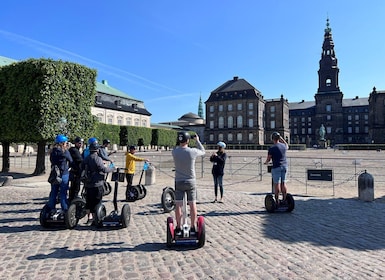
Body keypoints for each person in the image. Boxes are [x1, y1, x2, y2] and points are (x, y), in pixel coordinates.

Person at [172, 132, 205, 235]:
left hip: (179, 181)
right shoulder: (192, 151)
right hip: (191, 181)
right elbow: (203, 151)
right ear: (188, 140)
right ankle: (193, 226)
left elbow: (177, 147)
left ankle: (178, 226)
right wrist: (197, 140)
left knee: (178, 205)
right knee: (192, 204)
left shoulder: (174, 152)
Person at [82, 142, 115, 225]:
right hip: (97, 183)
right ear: (97, 150)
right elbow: (103, 169)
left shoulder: (87, 158)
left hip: (88, 183)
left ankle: (89, 218)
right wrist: (112, 169)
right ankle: (96, 218)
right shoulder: (97, 158)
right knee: (97, 201)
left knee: (89, 201)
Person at [47, 134, 73, 213]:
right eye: (65, 142)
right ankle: (64, 209)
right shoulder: (64, 151)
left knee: (53, 192)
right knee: (63, 192)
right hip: (63, 173)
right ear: (62, 143)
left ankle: (51, 208)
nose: (66, 144)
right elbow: (71, 160)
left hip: (54, 173)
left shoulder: (52, 151)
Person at [264, 132, 289, 205]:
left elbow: (268, 159)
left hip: (276, 167)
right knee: (283, 183)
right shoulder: (284, 146)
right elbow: (287, 145)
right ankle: (284, 199)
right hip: (284, 166)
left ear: (272, 139)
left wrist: (266, 163)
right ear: (279, 138)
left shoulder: (272, 148)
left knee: (276, 184)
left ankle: (277, 200)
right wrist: (282, 139)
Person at [68, 137, 84, 201]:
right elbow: (80, 160)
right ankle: (73, 200)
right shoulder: (74, 150)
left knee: (74, 187)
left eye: (82, 143)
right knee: (75, 187)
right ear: (76, 143)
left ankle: (72, 199)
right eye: (79, 143)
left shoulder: (76, 150)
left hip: (76, 170)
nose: (81, 144)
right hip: (75, 171)